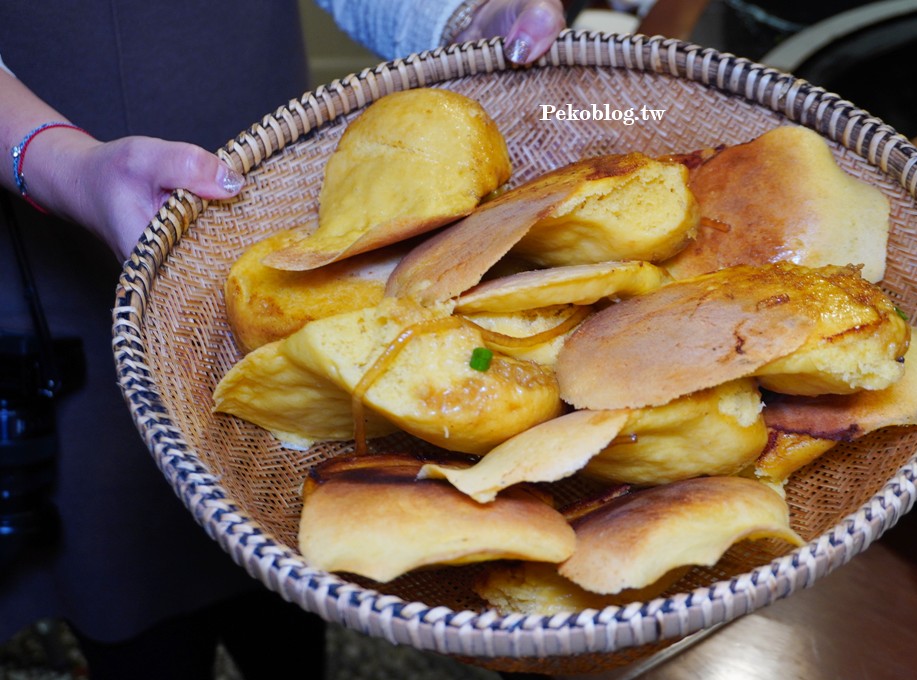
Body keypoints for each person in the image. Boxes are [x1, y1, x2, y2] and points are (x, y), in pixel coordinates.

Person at [0, 2, 564, 678]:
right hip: (71, 230)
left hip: (278, 192)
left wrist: (466, 14)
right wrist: (60, 162)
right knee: (134, 589)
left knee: (292, 551)